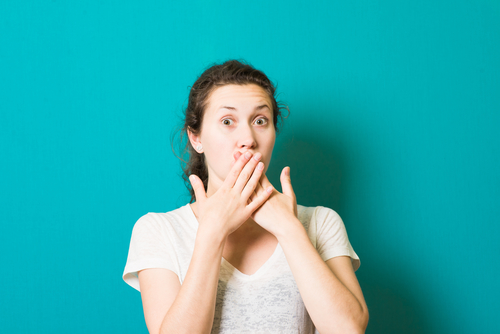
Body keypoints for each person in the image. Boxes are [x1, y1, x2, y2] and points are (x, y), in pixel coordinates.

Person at [123, 60, 369, 334]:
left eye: (260, 121)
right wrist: (211, 234)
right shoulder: (159, 231)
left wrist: (289, 229)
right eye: (227, 121)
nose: (248, 138)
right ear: (196, 138)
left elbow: (349, 330)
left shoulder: (321, 222)